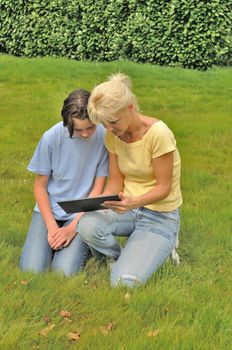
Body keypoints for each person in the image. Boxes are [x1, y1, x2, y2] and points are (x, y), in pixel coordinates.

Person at [77, 74, 182, 287]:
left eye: (113, 122)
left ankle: (165, 243)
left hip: (160, 215)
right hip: (127, 208)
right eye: (104, 123)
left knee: (123, 283)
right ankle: (117, 256)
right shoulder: (112, 135)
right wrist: (103, 202)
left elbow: (164, 187)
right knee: (87, 225)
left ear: (130, 107)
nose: (109, 128)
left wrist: (134, 202)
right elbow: (116, 180)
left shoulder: (158, 134)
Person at [20, 89, 108, 276]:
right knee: (31, 270)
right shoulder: (51, 138)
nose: (85, 134)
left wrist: (72, 228)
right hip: (50, 210)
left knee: (64, 273)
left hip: (82, 211)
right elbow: (40, 187)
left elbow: (97, 189)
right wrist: (52, 227)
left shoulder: (104, 137)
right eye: (78, 129)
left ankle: (80, 242)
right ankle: (54, 242)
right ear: (67, 122)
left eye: (90, 127)